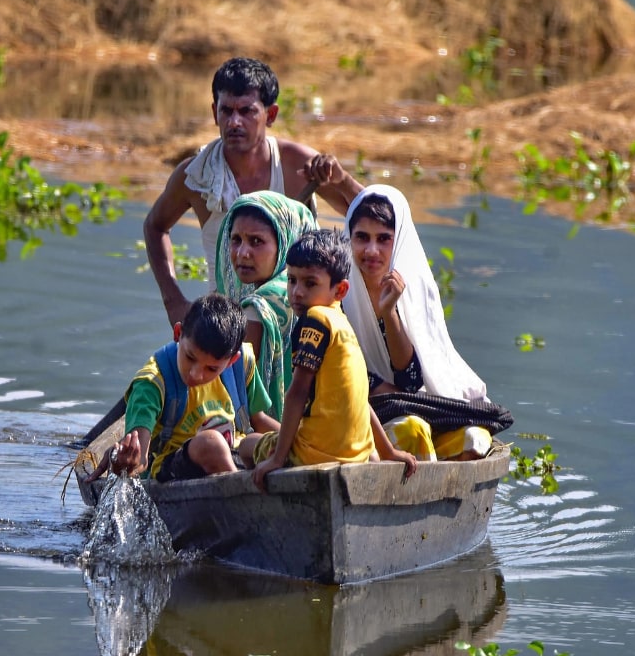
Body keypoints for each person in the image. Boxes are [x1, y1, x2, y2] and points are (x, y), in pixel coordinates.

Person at [143, 56, 363, 327]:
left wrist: (342, 181)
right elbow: (154, 227)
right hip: (228, 328)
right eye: (226, 111)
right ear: (215, 113)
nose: (234, 122)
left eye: (247, 111)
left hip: (300, 324)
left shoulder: (296, 164)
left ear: (270, 115)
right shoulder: (198, 176)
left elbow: (369, 215)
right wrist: (174, 302)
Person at [251, 230, 417, 491]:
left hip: (313, 455)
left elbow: (297, 392)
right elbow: (361, 402)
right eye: (292, 280)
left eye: (310, 283)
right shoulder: (343, 325)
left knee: (249, 443)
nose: (296, 292)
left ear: (340, 289)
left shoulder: (315, 319)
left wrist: (277, 459)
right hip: (358, 456)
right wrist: (389, 452)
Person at [341, 184, 494, 461]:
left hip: (418, 405)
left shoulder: (415, 288)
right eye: (362, 237)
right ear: (348, 238)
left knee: (475, 437)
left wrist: (389, 313)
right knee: (413, 431)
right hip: (360, 414)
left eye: (384, 239)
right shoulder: (338, 289)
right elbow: (340, 365)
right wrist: (383, 390)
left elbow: (411, 382)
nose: (372, 250)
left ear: (398, 241)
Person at [94, 293, 280, 483]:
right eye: (190, 357)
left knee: (262, 442)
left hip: (233, 454)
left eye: (211, 369)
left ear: (232, 361)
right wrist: (126, 463)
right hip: (177, 465)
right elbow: (140, 461)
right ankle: (242, 498)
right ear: (178, 334)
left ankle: (241, 483)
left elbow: (259, 419)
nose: (195, 374)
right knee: (212, 444)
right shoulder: (152, 383)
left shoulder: (243, 363)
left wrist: (294, 440)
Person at [214, 190, 318, 418]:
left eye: (256, 241)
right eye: (236, 240)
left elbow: (234, 395)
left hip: (270, 433)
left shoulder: (258, 309)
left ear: (285, 243)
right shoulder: (316, 290)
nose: (242, 252)